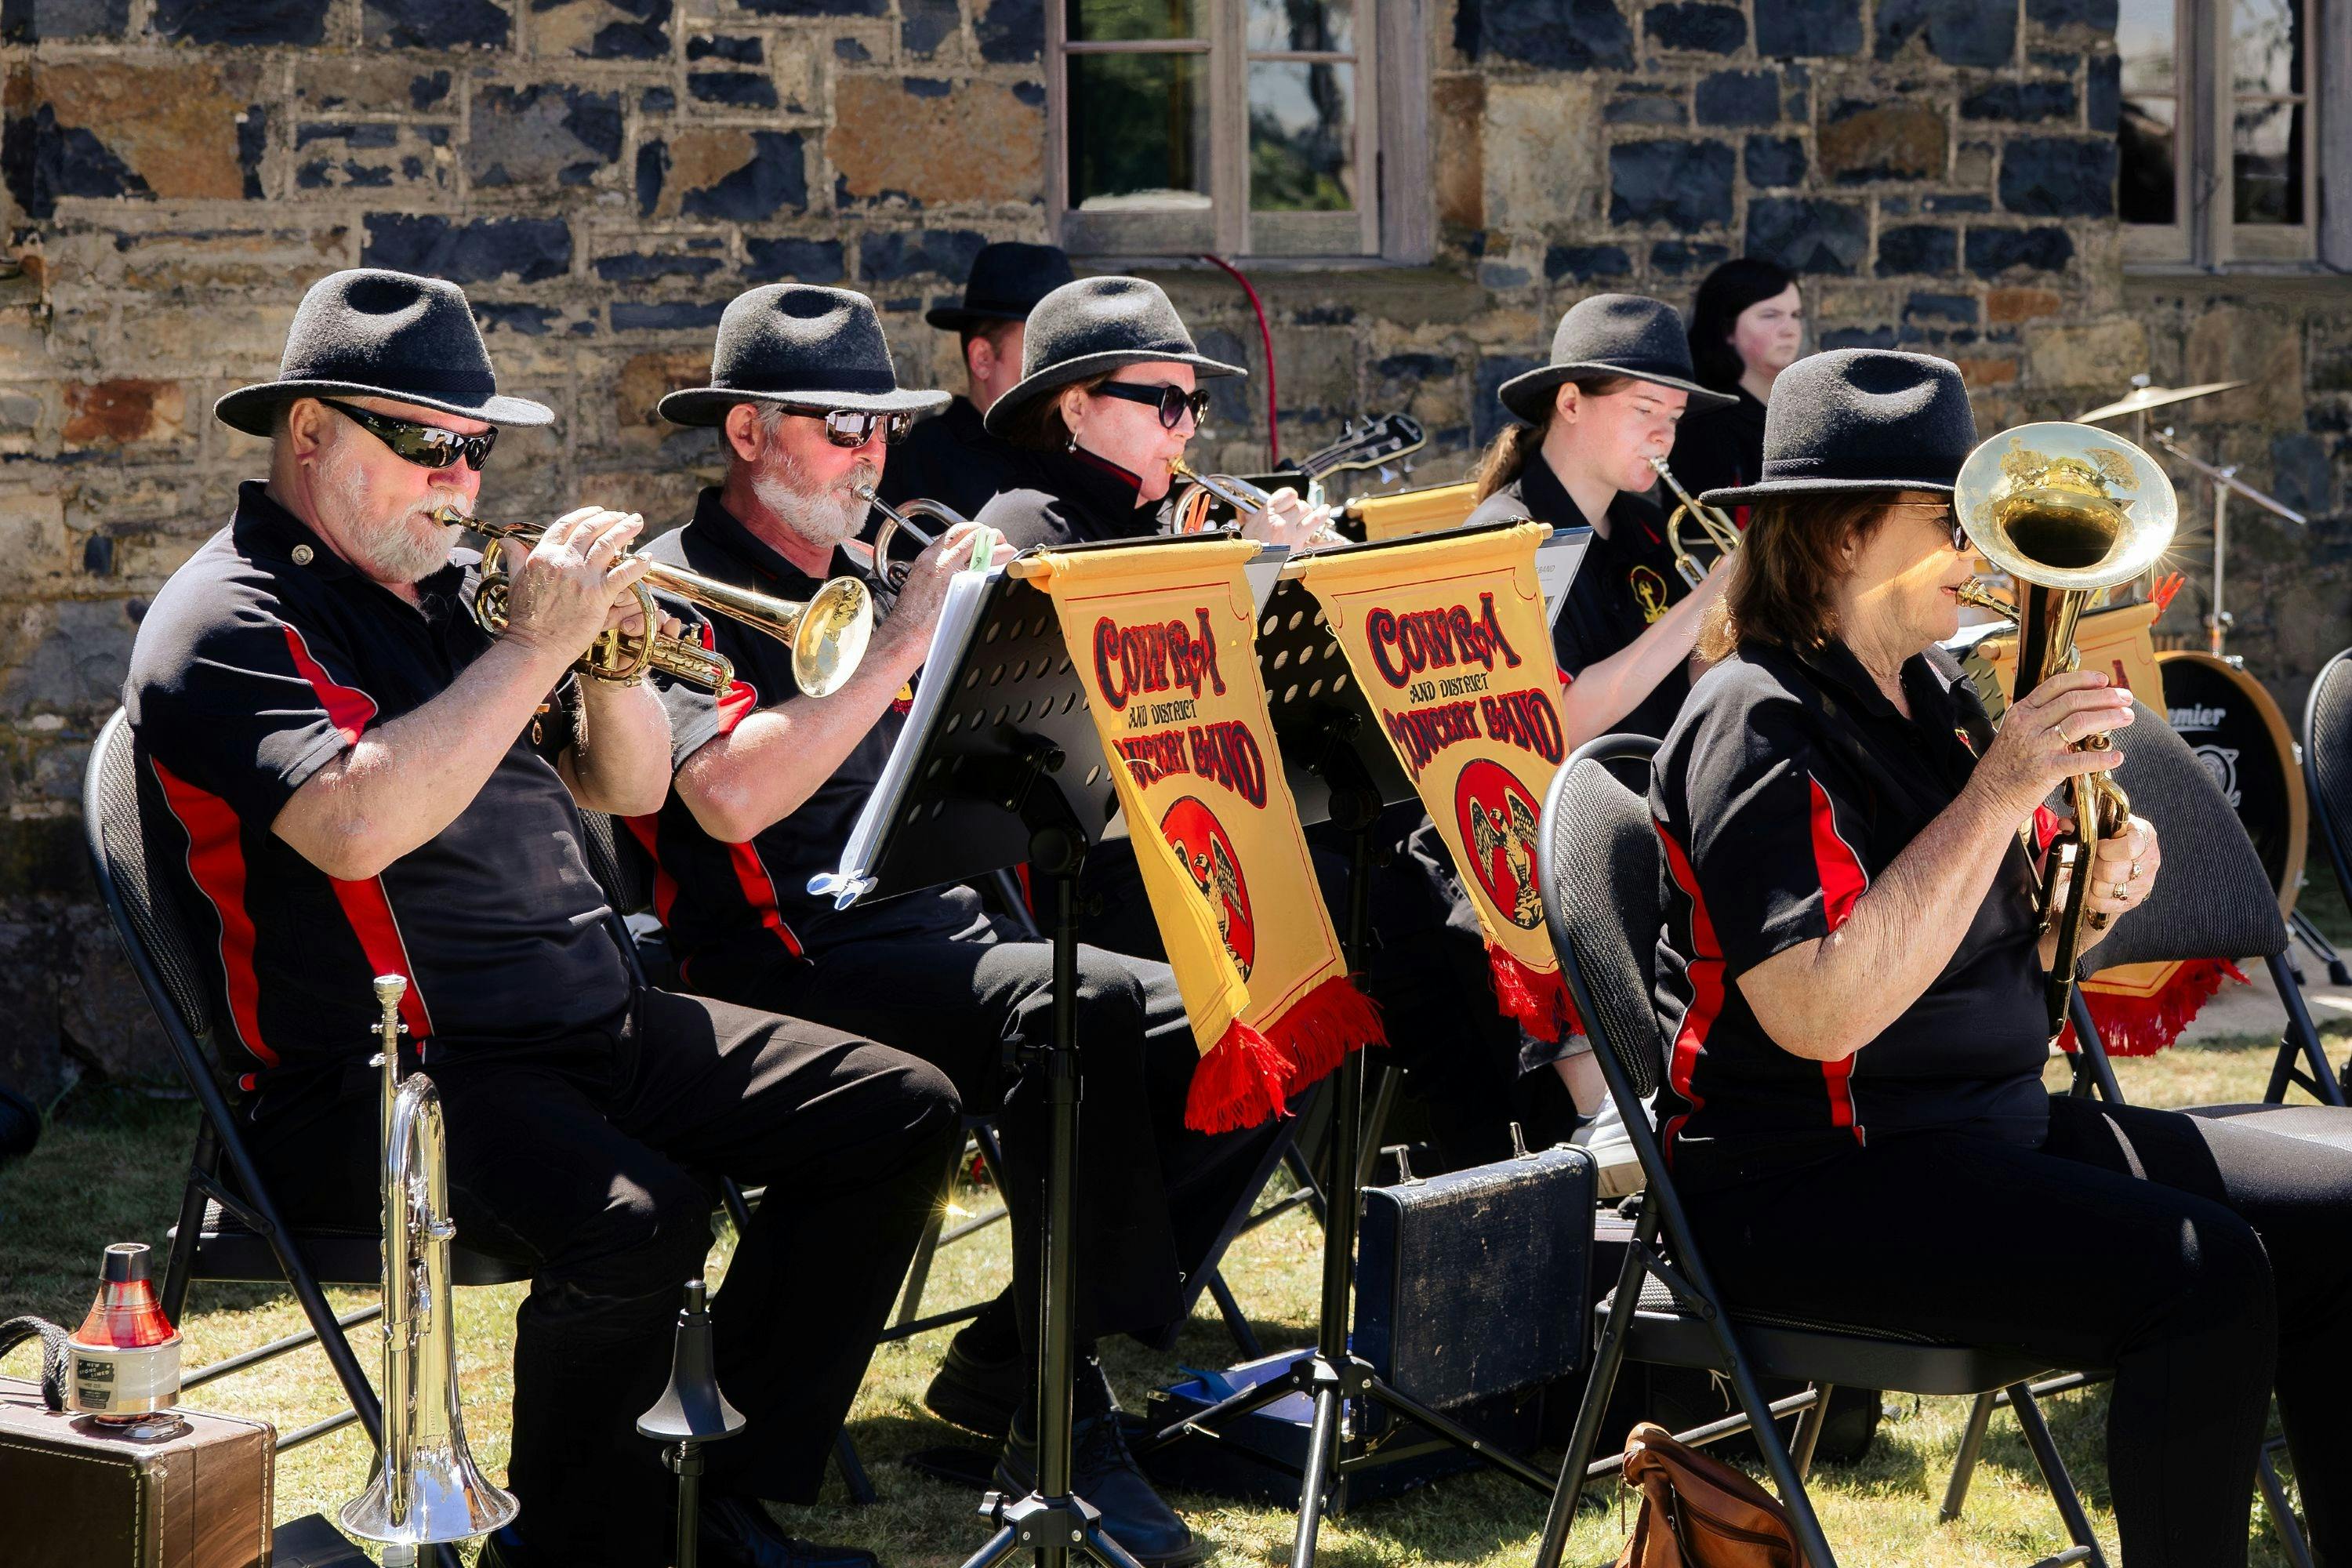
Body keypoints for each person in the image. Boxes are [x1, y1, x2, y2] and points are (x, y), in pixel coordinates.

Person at [122, 270, 961, 1568]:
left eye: (476, 449)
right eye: (427, 445)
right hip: (383, 1079)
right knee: (639, 1217)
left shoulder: (458, 588)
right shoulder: (230, 614)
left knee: (899, 1111)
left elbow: (630, 787)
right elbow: (354, 827)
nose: (459, 480)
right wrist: (531, 653)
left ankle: (712, 1491)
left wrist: (612, 661)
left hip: (589, 1020)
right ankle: (576, 1542)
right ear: (312, 433)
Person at [1653, 347, 2352, 1568]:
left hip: (1979, 1131)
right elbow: (1821, 1011)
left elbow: (1986, 936)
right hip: (1811, 1183)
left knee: (2342, 1224)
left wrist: (2089, 897)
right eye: (1949, 518)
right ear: (1843, 535)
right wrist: (2000, 792)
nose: (1980, 548)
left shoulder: (1927, 692)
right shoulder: (1754, 718)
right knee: (2205, 1280)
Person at [630, 281, 1275, 1568]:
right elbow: (725, 798)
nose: (871, 455)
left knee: (1240, 1020)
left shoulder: (870, 568)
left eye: (883, 426)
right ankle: (1061, 1410)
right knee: (1078, 1008)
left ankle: (1026, 1357)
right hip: (775, 959)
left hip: (939, 927)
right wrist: (906, 640)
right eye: (839, 427)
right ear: (747, 432)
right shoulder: (671, 586)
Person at [877, 240, 1076, 520]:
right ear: (983, 358)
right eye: (1045, 349)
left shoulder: (1078, 450)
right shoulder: (915, 461)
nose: (1064, 368)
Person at [1667, 257, 1804, 500]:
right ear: (1728, 329)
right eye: (1770, 315)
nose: (1790, 330)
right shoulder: (1705, 427)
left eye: (1795, 315)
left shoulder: (1798, 413)